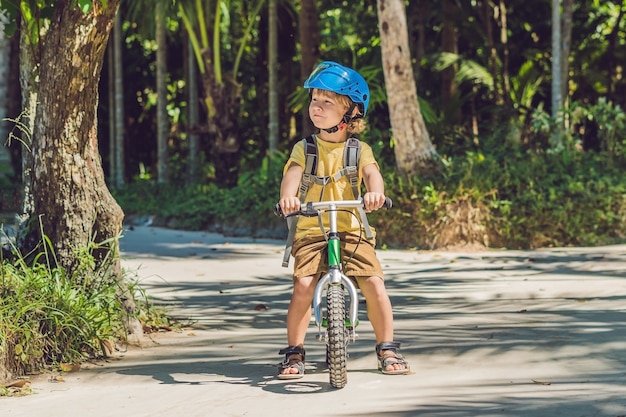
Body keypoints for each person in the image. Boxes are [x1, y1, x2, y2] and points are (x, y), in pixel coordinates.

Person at [277, 61, 410, 379]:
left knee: (374, 284)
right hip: (311, 228)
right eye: (314, 100)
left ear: (350, 113)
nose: (316, 107)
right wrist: (289, 198)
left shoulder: (358, 149)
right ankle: (295, 352)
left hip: (352, 228)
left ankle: (387, 347)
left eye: (327, 102)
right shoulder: (305, 148)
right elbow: (292, 176)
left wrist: (375, 194)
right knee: (303, 286)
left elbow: (372, 175)